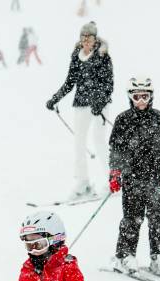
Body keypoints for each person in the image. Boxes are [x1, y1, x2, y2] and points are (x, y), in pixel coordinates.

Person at [108, 77, 160, 275]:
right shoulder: (123, 119)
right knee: (132, 218)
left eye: (145, 96)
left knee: (159, 217)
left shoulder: (159, 118)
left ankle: (159, 255)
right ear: (131, 97)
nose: (141, 101)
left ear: (151, 96)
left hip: (155, 176)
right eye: (137, 97)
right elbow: (116, 149)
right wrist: (115, 172)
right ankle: (125, 256)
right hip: (132, 176)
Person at [45, 22, 113, 200]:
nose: (85, 41)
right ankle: (83, 183)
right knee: (79, 142)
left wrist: (100, 101)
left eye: (89, 38)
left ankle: (113, 179)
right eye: (83, 38)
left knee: (99, 141)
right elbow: (70, 82)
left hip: (99, 106)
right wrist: (55, 98)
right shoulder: (77, 56)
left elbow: (108, 84)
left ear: (95, 38)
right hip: (82, 104)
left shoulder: (103, 55)